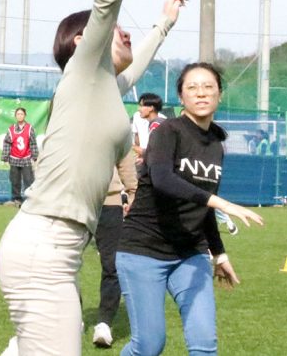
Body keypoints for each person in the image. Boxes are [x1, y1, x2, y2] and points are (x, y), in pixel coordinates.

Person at [0, 0, 186, 356]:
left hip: (54, 248)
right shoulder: (82, 74)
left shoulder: (103, 91)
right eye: (112, 30)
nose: (122, 31)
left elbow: (135, 63)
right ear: (84, 43)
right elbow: (107, 0)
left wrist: (164, 23)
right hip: (44, 244)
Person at [115, 62, 262, 356]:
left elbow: (203, 207)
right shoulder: (168, 131)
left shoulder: (217, 145)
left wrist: (219, 254)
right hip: (143, 250)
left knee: (205, 346)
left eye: (208, 87)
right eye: (192, 87)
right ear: (181, 97)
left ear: (219, 94)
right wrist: (219, 202)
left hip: (190, 254)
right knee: (149, 346)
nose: (201, 93)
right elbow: (162, 179)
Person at [89, 151, 137, 349]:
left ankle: (104, 323)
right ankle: (72, 318)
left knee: (112, 264)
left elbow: (124, 155)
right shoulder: (66, 119)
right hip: (72, 198)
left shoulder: (115, 121)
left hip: (110, 202)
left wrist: (133, 190)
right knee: (64, 263)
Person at [0, 107, 38, 206]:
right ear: (15, 116)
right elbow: (7, 143)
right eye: (18, 114)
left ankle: (30, 201)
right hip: (14, 158)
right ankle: (16, 199)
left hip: (26, 158)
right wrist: (5, 157)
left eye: (21, 114)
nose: (20, 116)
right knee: (14, 180)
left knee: (28, 180)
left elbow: (33, 143)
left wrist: (35, 157)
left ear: (25, 115)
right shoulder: (11, 129)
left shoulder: (30, 128)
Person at [130, 93, 165, 164]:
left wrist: (129, 145)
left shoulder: (157, 125)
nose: (139, 109)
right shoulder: (155, 123)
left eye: (141, 106)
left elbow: (155, 153)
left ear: (151, 108)